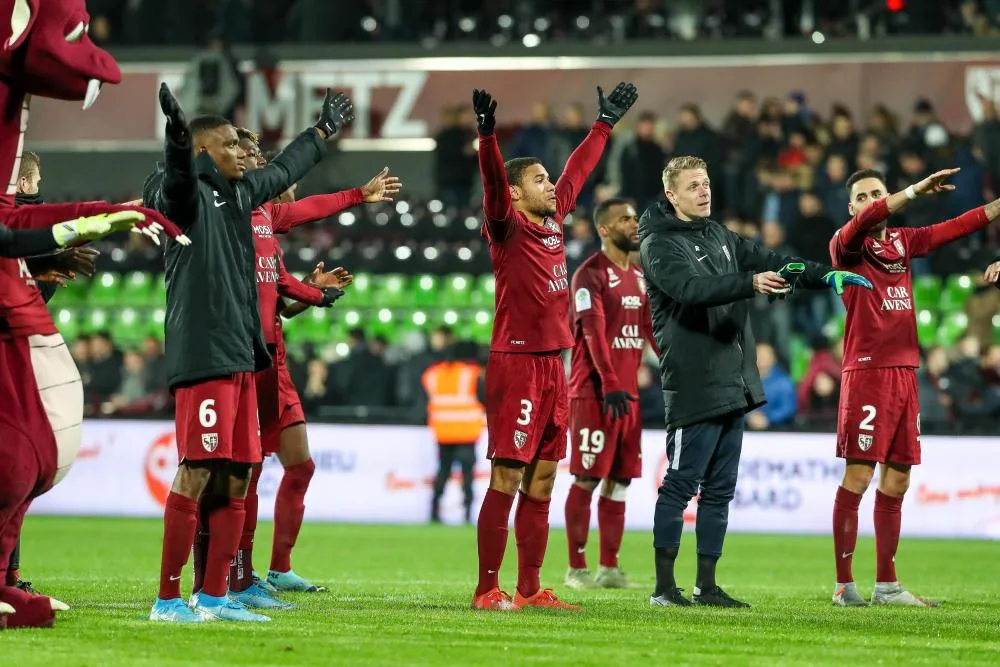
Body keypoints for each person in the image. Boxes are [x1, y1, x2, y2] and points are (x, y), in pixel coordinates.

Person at [144, 83, 353, 623]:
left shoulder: (241, 195)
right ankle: (168, 600)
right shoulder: (182, 196)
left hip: (244, 353)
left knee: (238, 473)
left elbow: (283, 172)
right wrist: (175, 137)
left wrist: (321, 132)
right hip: (204, 353)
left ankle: (216, 595)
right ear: (206, 150)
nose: (244, 151)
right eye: (233, 144)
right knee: (197, 471)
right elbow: (172, 182)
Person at [638, 155, 871, 608]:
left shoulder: (719, 235)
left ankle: (706, 586)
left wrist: (827, 276)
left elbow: (775, 261)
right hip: (694, 384)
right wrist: (750, 282)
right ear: (672, 195)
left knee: (721, 488)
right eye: (692, 186)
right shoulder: (658, 245)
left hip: (732, 380)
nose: (704, 191)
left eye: (705, 183)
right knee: (681, 483)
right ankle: (664, 588)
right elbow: (691, 290)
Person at [470, 81, 638, 611]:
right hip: (516, 363)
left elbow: (578, 171)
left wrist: (604, 124)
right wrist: (487, 137)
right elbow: (495, 183)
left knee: (543, 478)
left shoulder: (553, 221)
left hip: (554, 366)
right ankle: (485, 589)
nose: (551, 185)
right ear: (518, 193)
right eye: (539, 179)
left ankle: (527, 590)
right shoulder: (506, 224)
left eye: (548, 178)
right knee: (507, 473)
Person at [217, 128, 393, 606]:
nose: (252, 159)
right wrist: (314, 293)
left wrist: (359, 195)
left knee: (301, 465)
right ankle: (240, 575)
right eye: (245, 153)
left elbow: (278, 287)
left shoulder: (265, 217)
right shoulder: (230, 214)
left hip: (277, 360)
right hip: (246, 359)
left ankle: (278, 569)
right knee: (246, 472)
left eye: (254, 152)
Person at [828, 167, 1000, 607]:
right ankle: (845, 584)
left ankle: (887, 585)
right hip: (866, 371)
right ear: (852, 208)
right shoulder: (846, 245)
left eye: (875, 193)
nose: (870, 201)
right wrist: (913, 190)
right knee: (860, 474)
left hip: (905, 373)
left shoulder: (902, 242)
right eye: (862, 196)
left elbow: (954, 227)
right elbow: (870, 220)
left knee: (898, 479)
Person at [5, 153, 100, 596]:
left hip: (15, 366)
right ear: (22, 181)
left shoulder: (21, 234)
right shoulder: (19, 229)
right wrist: (45, 266)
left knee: (16, 479)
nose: (41, 185)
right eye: (37, 179)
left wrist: (45, 269)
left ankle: (8, 576)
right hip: (11, 369)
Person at [563, 197, 655, 590]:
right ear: (604, 229)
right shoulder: (590, 275)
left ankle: (609, 568)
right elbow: (593, 332)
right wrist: (611, 383)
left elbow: (650, 331)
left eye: (635, 217)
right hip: (594, 393)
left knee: (620, 480)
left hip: (627, 396)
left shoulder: (638, 275)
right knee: (587, 477)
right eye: (624, 219)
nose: (634, 224)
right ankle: (577, 569)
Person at [422, 340, 486, 525]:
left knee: (442, 472)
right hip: (466, 432)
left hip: (442, 431)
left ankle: (434, 511)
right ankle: (467, 513)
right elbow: (484, 398)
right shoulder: (471, 374)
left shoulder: (433, 374)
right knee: (467, 475)